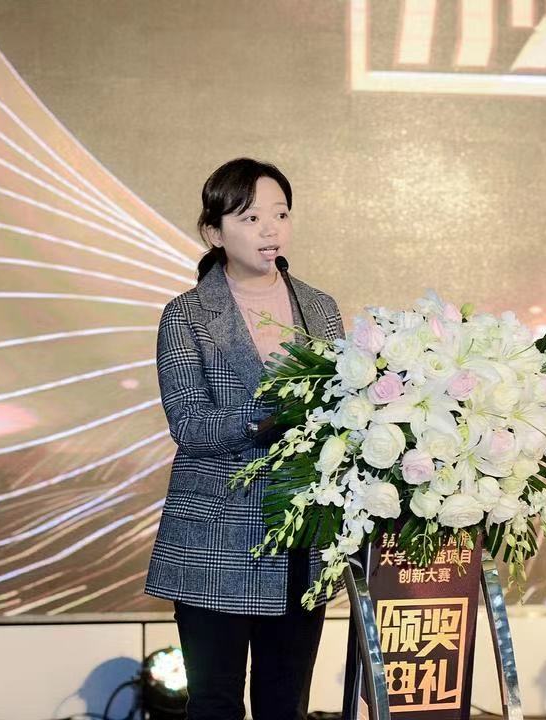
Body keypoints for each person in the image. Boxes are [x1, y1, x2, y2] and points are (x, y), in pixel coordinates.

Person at [144, 158, 344, 720]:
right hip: (215, 534)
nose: (270, 229)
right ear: (215, 232)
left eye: (280, 214)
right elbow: (189, 424)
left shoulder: (320, 308)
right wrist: (268, 417)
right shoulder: (186, 315)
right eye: (251, 218)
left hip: (298, 535)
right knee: (215, 703)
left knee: (286, 705)